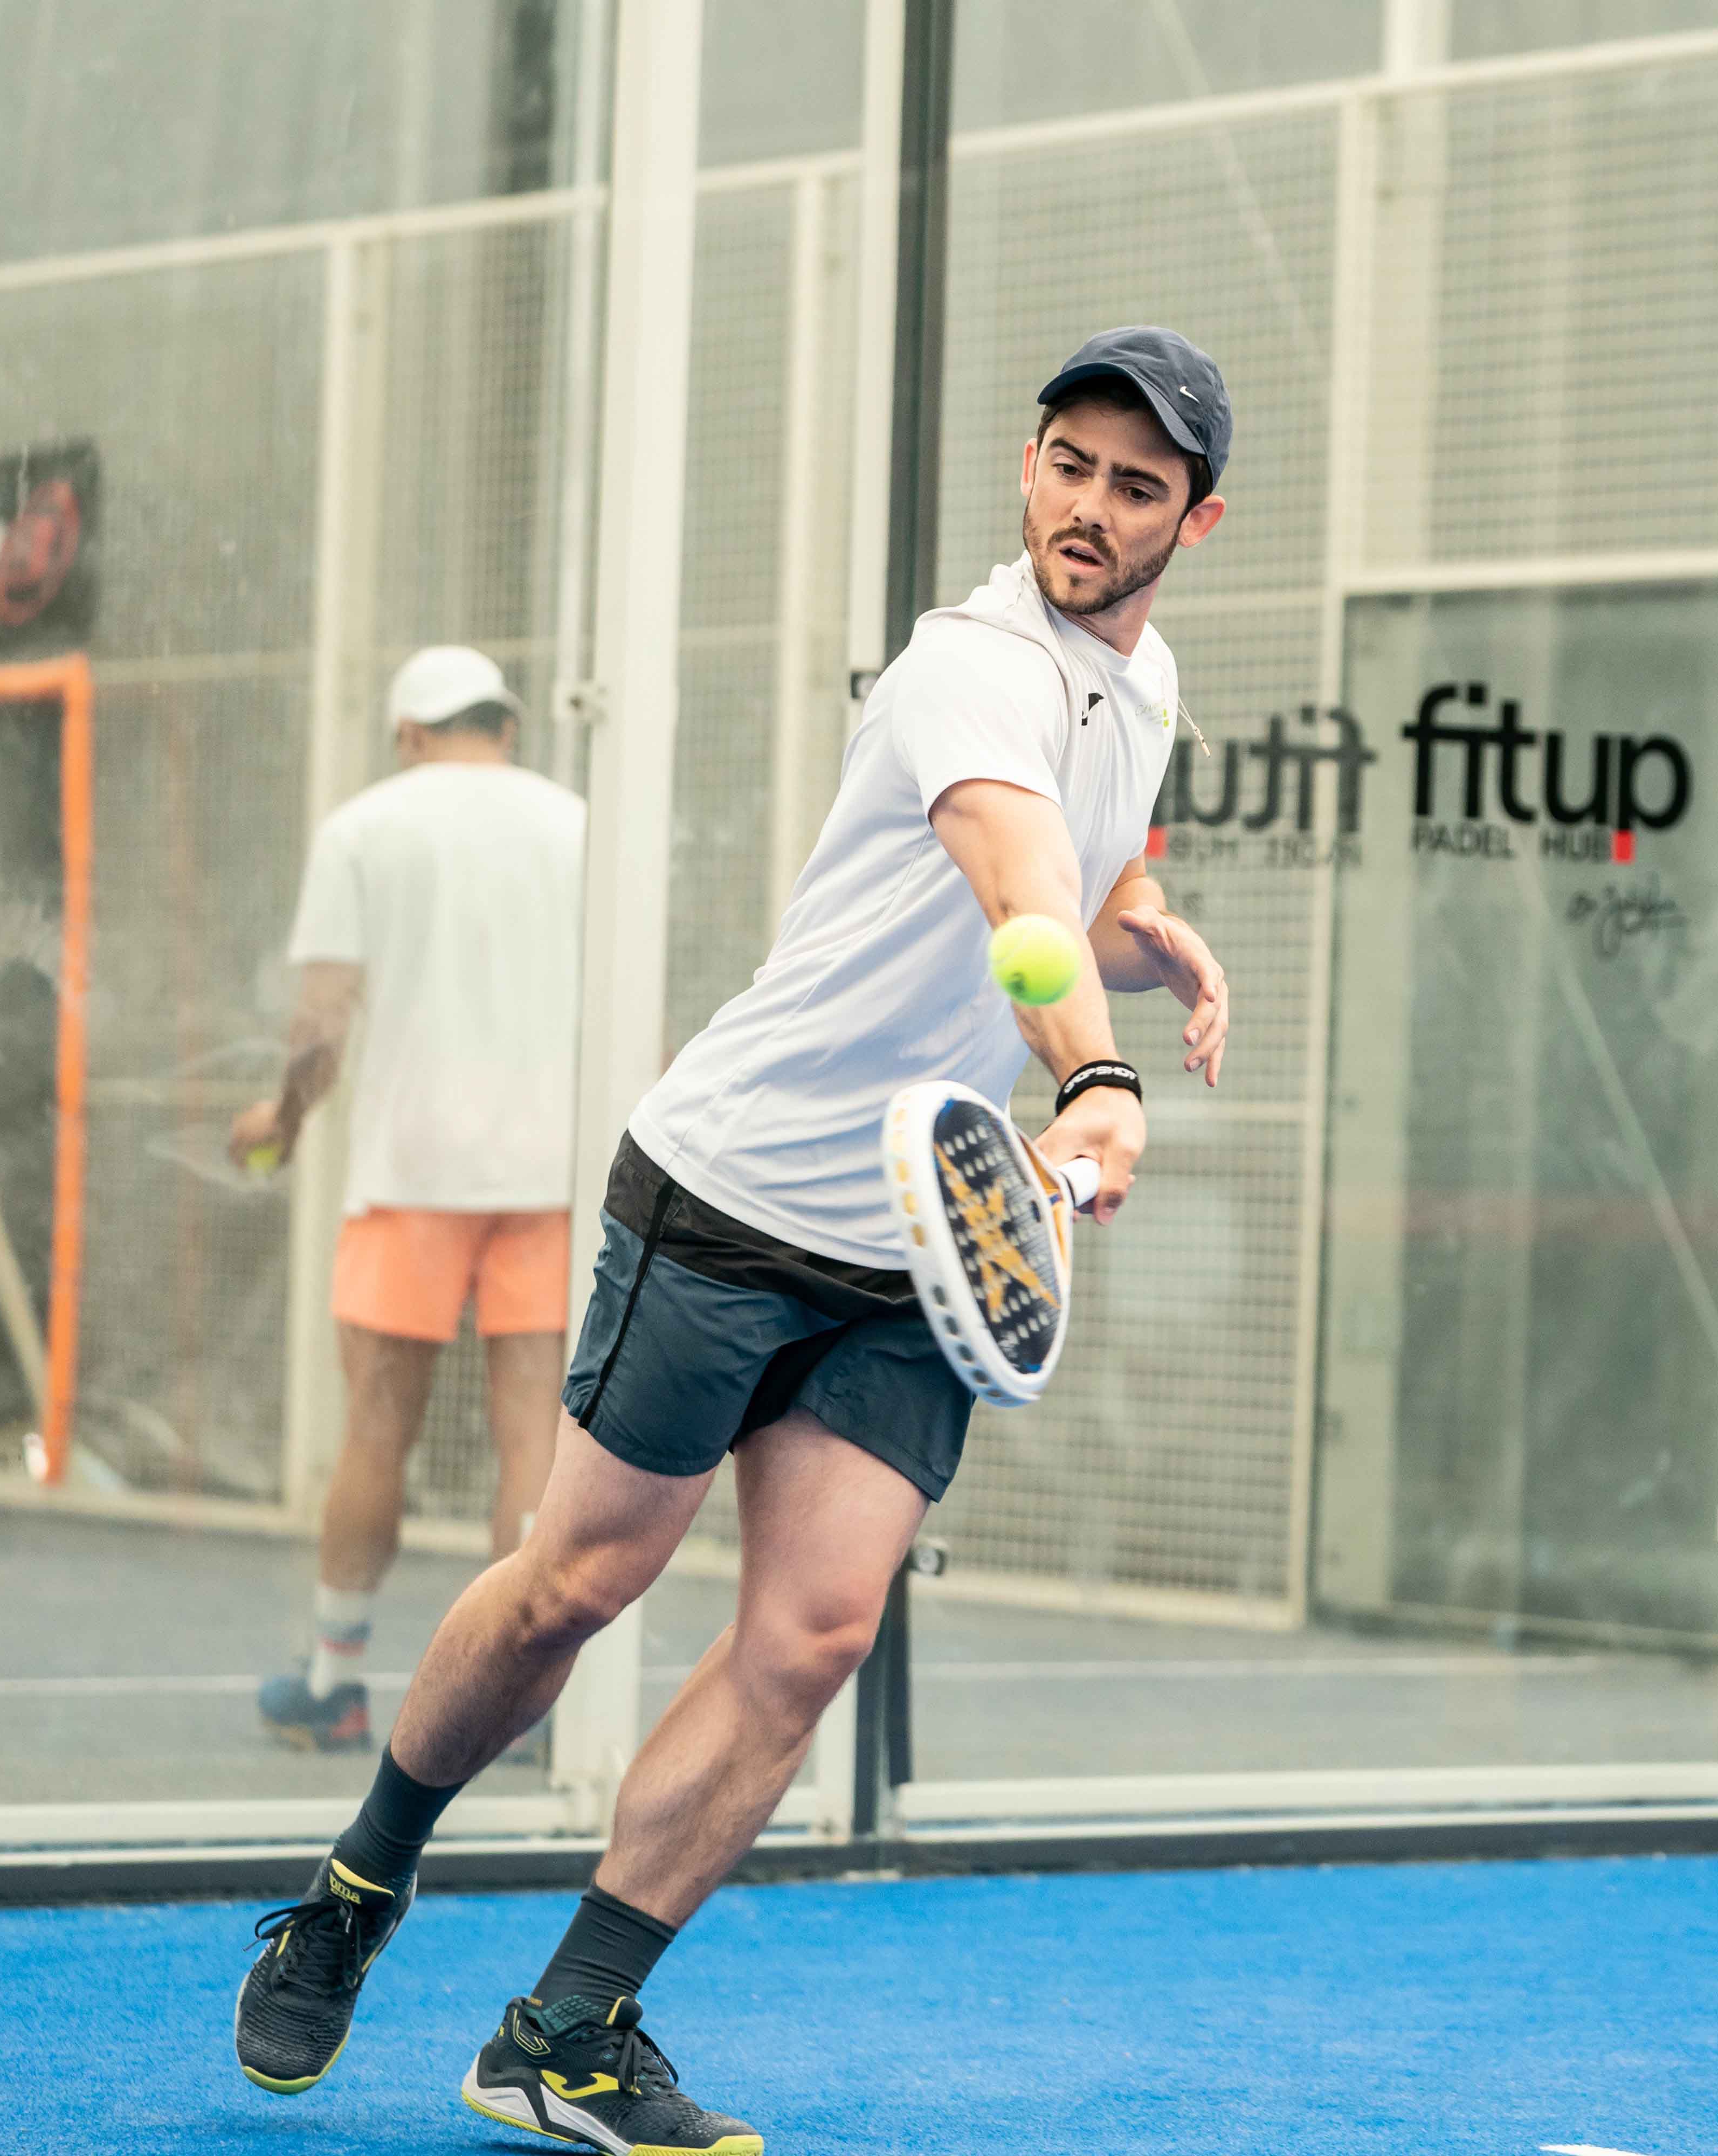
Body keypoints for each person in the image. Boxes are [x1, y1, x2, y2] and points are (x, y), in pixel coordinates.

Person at [232, 327, 1239, 2152]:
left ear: (1197, 518)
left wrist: (1145, 923)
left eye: (1138, 485)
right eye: (1070, 465)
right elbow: (1016, 887)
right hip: (739, 1189)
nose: (1093, 507)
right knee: (576, 1582)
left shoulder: (1141, 680)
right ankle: (359, 1886)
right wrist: (1098, 1070)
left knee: (814, 1634)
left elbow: (1079, 872)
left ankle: (567, 2031)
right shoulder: (966, 664)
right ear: (1030, 466)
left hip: (921, 1236)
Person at [234, 645, 587, 1755]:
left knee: (377, 1426)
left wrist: (283, 1120)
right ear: (508, 726)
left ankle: (337, 1680)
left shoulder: (364, 829)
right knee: (533, 1433)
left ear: (408, 734)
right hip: (552, 1170)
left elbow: (322, 1021)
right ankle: (526, 1706)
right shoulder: (580, 826)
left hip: (410, 1171)